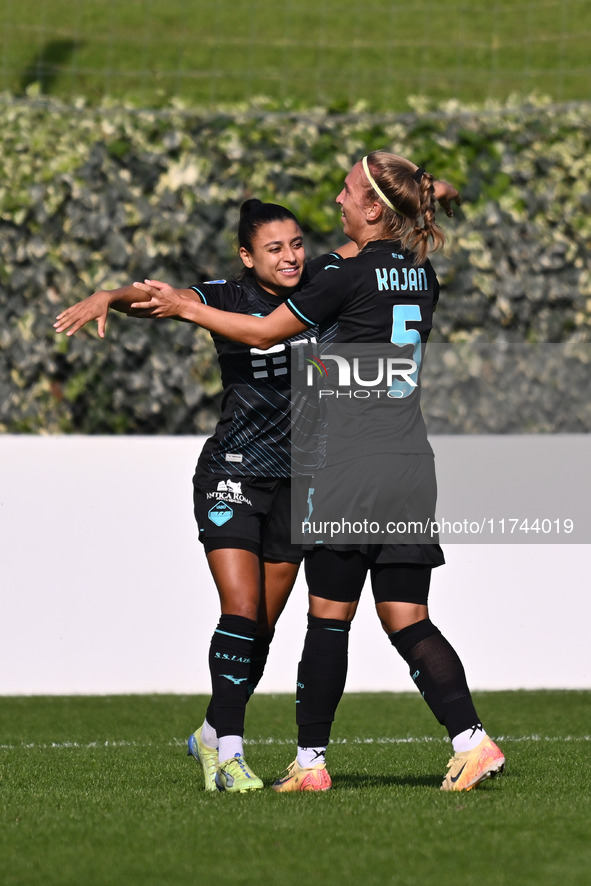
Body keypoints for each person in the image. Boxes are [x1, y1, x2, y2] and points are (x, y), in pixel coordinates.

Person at [129, 152, 505, 794]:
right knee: (407, 615)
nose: (336, 198)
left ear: (372, 209)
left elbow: (263, 332)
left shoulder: (346, 278)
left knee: (328, 617)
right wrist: (425, 194)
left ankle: (309, 765)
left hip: (348, 465)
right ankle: (472, 741)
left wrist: (187, 309)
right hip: (410, 462)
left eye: (349, 190)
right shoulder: (422, 273)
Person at [55, 199, 355, 793]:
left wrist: (424, 198)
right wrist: (109, 299)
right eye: (274, 248)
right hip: (234, 471)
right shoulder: (225, 295)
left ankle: (213, 729)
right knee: (241, 610)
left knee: (262, 625)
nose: (291, 255)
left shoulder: (321, 284)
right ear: (248, 256)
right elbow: (160, 300)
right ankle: (230, 756)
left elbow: (369, 244)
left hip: (301, 480)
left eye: (296, 243)